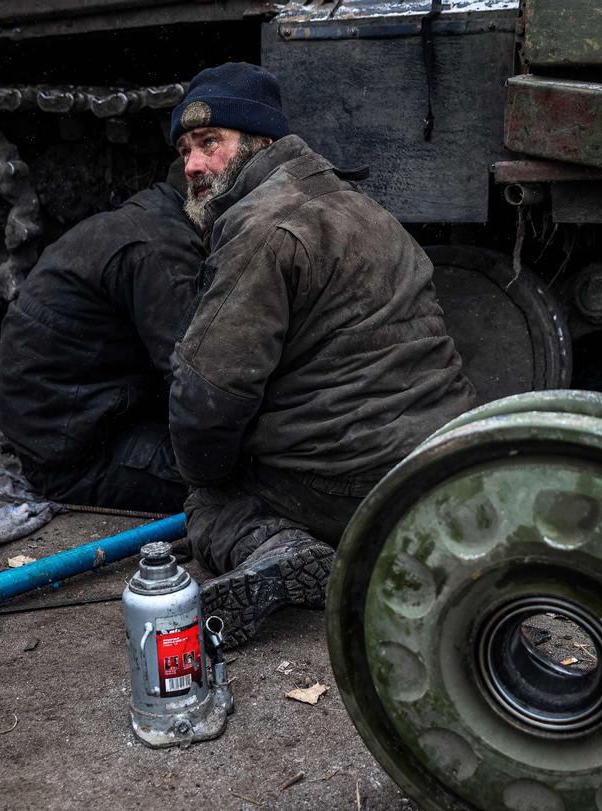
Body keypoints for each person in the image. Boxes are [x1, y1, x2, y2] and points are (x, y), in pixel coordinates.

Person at [168, 62, 475, 647]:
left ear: (259, 143)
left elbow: (208, 395)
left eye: (210, 143)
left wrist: (211, 479)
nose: (192, 166)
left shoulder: (260, 227)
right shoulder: (364, 208)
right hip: (441, 462)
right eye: (185, 150)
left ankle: (279, 545)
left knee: (207, 499)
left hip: (345, 482)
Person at [0, 178, 203, 513]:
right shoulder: (160, 252)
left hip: (66, 435)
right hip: (76, 463)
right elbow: (201, 382)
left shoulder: (146, 218)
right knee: (251, 480)